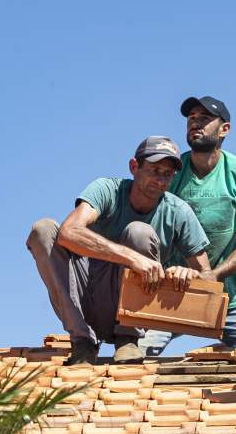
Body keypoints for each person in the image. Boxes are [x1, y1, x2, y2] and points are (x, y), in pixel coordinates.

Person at [26, 136, 211, 365]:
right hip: (82, 297)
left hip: (128, 309)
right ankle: (82, 341)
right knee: (42, 230)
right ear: (134, 167)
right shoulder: (107, 190)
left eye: (167, 174)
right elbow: (69, 232)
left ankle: (128, 339)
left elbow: (207, 276)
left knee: (139, 232)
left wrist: (188, 274)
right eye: (154, 170)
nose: (160, 180)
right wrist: (132, 258)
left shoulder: (177, 211)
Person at [137, 96, 236, 356]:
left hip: (224, 293)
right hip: (167, 291)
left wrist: (213, 275)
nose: (195, 123)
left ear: (225, 129)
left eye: (205, 118)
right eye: (191, 119)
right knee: (137, 355)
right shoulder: (173, 172)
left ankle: (215, 348)